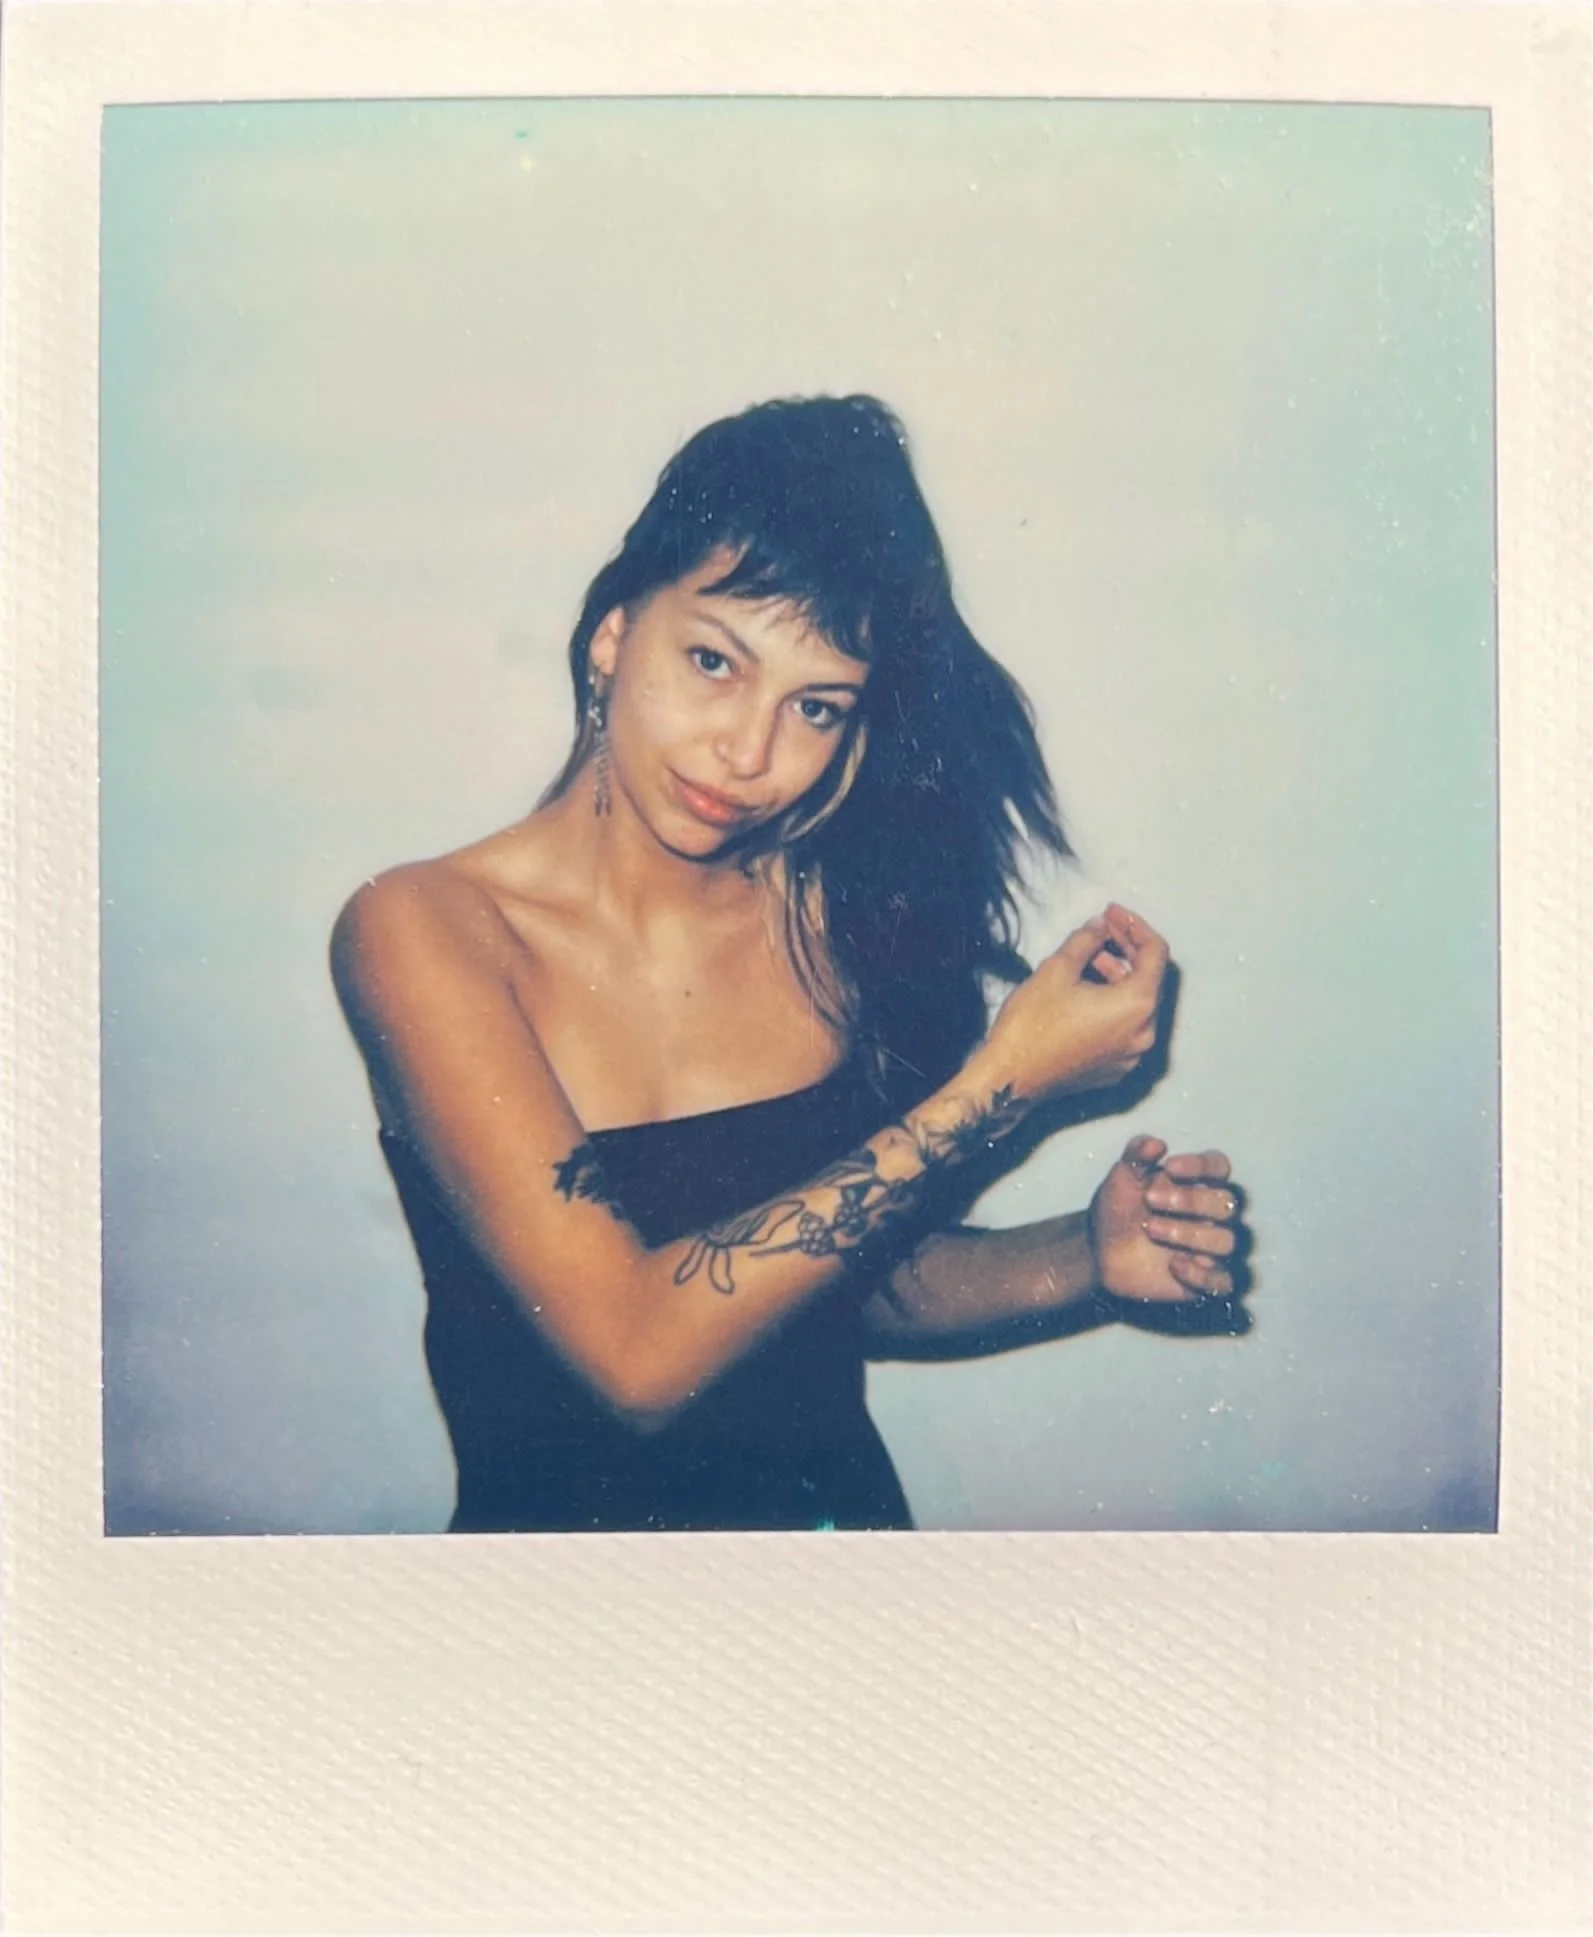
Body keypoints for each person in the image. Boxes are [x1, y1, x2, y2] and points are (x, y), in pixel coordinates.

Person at [331, 393, 1248, 1533]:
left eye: (814, 706)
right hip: (560, 1603)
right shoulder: (426, 929)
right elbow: (634, 1349)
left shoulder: (816, 924)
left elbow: (818, 1272)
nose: (749, 750)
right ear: (614, 631)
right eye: (714, 660)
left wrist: (1082, 1256)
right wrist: (1003, 1085)